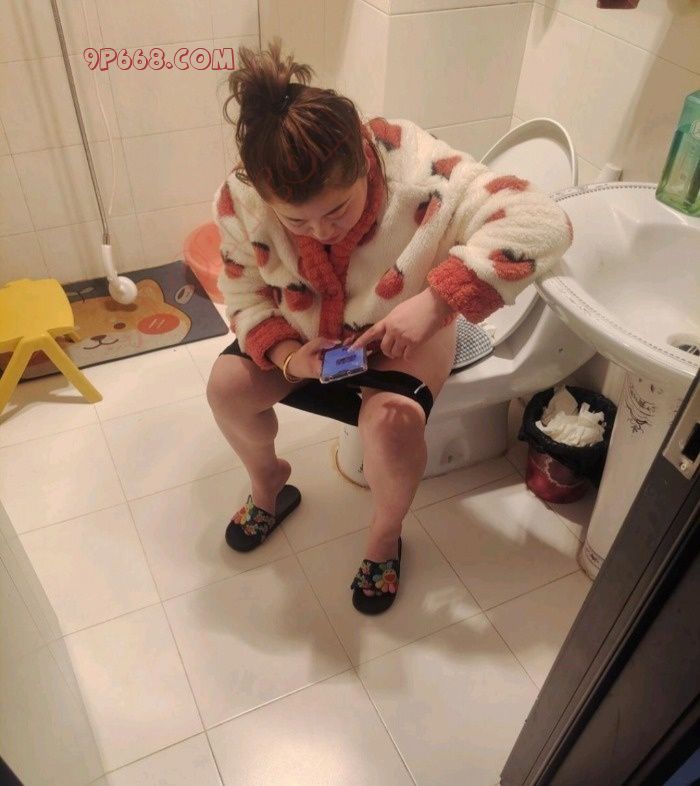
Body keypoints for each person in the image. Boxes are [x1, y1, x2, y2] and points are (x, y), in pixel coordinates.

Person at [206, 39, 573, 615]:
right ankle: (268, 482)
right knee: (225, 389)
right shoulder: (243, 196)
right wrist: (288, 357)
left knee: (392, 426)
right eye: (295, 220)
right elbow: (243, 293)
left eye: (337, 210)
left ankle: (385, 533)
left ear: (363, 160)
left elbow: (544, 222)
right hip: (305, 338)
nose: (320, 232)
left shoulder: (421, 171)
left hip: (408, 333)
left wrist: (436, 302)